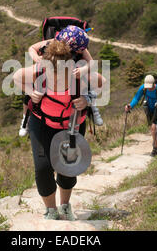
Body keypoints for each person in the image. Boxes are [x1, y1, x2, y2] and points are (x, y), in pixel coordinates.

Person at [14, 39, 105, 220]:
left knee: (67, 167)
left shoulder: (78, 74)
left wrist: (86, 100)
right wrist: (30, 92)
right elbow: (16, 77)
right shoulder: (39, 70)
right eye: (52, 72)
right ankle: (51, 210)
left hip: (72, 125)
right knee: (42, 168)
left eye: (61, 73)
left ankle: (64, 206)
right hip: (42, 124)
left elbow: (101, 82)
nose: (55, 77)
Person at [18, 25, 103, 137]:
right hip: (46, 69)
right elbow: (32, 48)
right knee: (30, 95)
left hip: (74, 72)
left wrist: (83, 69)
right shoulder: (51, 42)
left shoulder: (81, 48)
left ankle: (93, 107)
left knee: (87, 88)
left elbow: (92, 63)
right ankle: (25, 119)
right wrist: (37, 58)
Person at [125, 75, 157, 157]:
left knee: (153, 129)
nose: (148, 88)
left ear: (153, 84)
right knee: (154, 131)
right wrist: (130, 105)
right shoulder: (143, 88)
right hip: (150, 111)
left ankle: (155, 150)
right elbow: (136, 98)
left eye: (150, 86)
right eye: (147, 86)